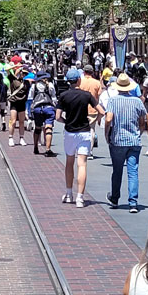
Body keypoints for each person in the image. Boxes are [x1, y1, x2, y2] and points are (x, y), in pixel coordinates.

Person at [106, 74, 147, 212]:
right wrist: (138, 133)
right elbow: (142, 122)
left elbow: (108, 119)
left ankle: (115, 198)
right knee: (133, 171)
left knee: (117, 171)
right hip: (134, 140)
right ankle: (133, 202)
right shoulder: (137, 101)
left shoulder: (113, 100)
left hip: (118, 140)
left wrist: (107, 134)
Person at [56, 77, 100, 208]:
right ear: (79, 80)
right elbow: (101, 110)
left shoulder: (64, 95)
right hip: (84, 132)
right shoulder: (86, 95)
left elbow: (58, 116)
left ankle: (69, 194)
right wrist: (94, 121)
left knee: (69, 162)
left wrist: (66, 122)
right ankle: (80, 198)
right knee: (82, 164)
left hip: (70, 132)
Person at [30, 73, 58, 156]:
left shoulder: (34, 86)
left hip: (37, 109)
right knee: (48, 128)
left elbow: (31, 98)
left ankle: (35, 147)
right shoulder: (50, 85)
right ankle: (48, 149)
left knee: (37, 128)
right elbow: (54, 98)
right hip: (48, 108)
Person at [7, 66, 30, 147]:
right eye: (22, 72)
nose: (23, 74)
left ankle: (21, 138)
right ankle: (10, 138)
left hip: (22, 103)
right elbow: (7, 69)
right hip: (14, 102)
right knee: (13, 121)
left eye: (25, 73)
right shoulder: (13, 79)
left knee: (21, 122)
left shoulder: (27, 82)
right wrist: (16, 67)